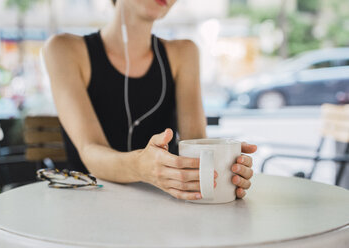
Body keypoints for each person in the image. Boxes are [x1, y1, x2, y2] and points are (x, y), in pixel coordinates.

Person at [43, 0, 257, 200]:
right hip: (88, 203)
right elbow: (90, 151)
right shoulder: (64, 49)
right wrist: (141, 167)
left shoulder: (184, 53)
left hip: (163, 207)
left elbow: (196, 143)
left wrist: (225, 167)